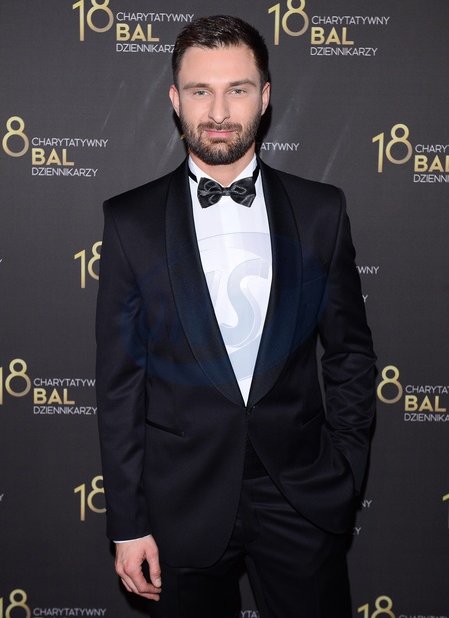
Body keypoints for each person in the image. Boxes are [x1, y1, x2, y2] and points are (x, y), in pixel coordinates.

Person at [96, 14, 376, 618]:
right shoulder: (128, 222)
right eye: (201, 90)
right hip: (180, 502)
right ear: (175, 100)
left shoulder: (321, 210)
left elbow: (350, 354)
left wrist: (347, 470)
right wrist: (128, 522)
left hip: (301, 494)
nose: (219, 111)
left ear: (265, 97)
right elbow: (119, 386)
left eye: (238, 89)